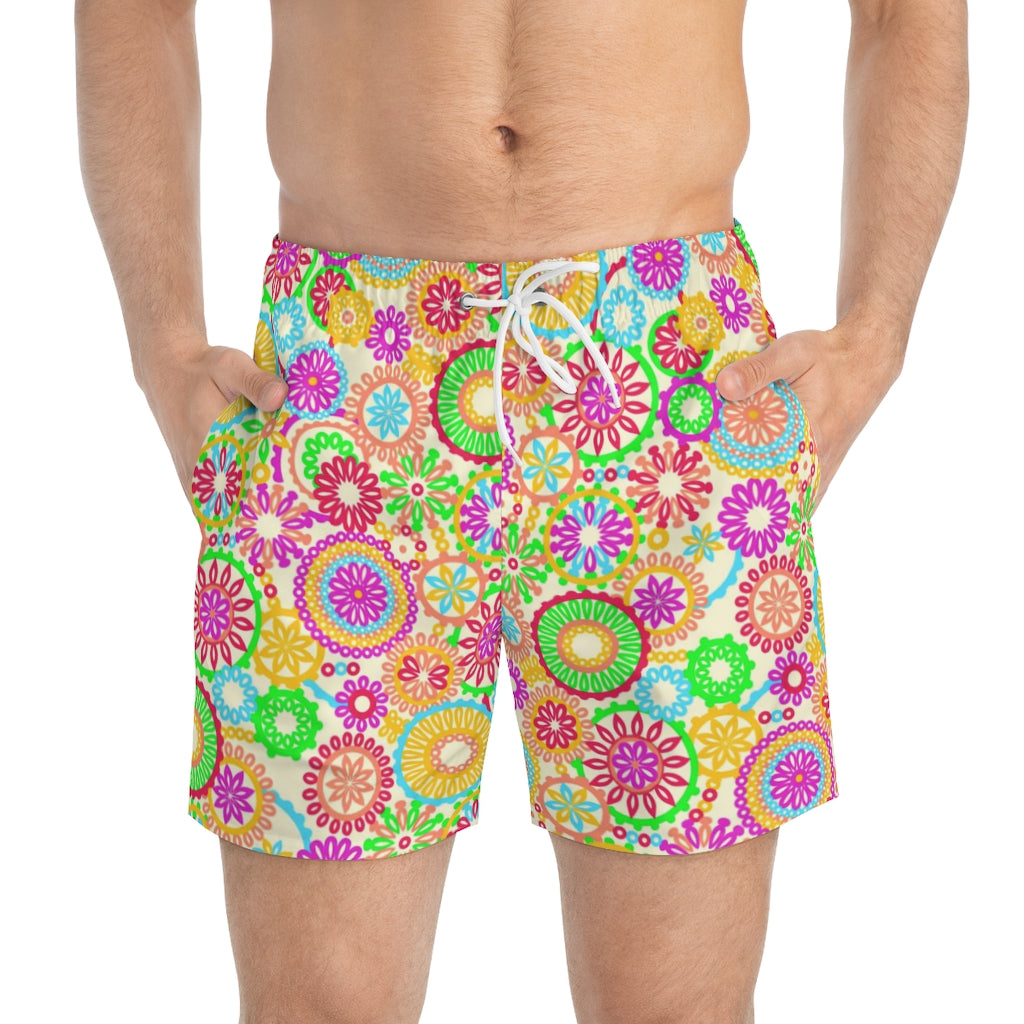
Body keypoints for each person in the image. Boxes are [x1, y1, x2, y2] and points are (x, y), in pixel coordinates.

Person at [75, 1, 968, 1021]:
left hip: (666, 374)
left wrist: (877, 331)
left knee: (674, 1007)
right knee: (319, 1004)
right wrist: (162, 343)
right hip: (350, 373)